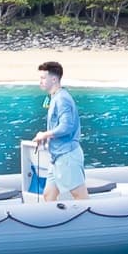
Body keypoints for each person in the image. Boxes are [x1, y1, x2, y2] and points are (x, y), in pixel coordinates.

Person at [32, 60, 88, 203]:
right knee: (48, 195)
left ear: (54, 79)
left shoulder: (62, 99)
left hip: (67, 155)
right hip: (57, 156)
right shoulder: (54, 97)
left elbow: (66, 126)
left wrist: (45, 134)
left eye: (43, 78)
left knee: (79, 195)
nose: (40, 81)